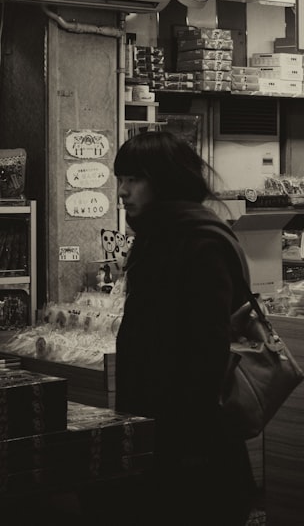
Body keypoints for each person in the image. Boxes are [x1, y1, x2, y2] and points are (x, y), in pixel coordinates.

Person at [105, 131, 254, 526]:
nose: (122, 191)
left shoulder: (198, 240)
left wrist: (187, 439)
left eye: (134, 179)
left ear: (165, 180)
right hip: (159, 425)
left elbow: (207, 348)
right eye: (120, 179)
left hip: (194, 438)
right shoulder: (159, 234)